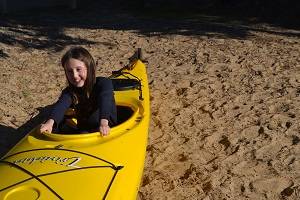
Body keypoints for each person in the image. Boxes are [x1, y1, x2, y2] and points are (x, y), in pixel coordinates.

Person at [40, 46, 117, 136]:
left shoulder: (103, 83)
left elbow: (105, 100)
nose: (75, 76)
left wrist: (104, 123)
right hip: (84, 133)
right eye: (69, 71)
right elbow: (61, 105)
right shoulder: (70, 92)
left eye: (78, 69)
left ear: (89, 68)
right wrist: (50, 122)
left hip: (108, 129)